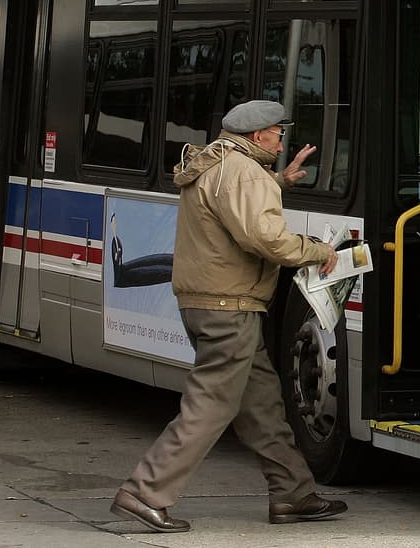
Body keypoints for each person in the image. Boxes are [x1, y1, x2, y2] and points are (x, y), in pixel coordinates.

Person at [111, 100, 345, 534]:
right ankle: (145, 492)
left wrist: (278, 181)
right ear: (258, 136)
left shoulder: (218, 162)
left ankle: (293, 494)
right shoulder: (244, 173)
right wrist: (319, 250)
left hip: (207, 303)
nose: (281, 139)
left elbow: (234, 203)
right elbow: (267, 239)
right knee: (210, 405)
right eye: (278, 132)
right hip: (229, 308)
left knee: (262, 406)